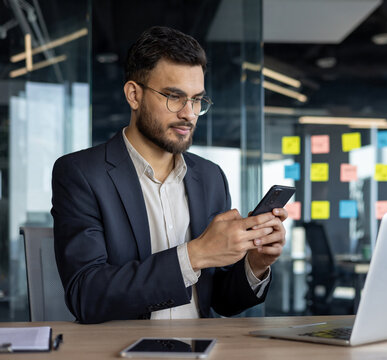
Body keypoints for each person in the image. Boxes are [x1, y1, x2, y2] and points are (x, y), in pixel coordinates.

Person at [51, 26, 287, 324]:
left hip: (203, 348)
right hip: (125, 350)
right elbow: (87, 295)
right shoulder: (81, 174)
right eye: (174, 97)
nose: (189, 113)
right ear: (134, 95)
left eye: (197, 100)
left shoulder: (210, 177)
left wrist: (255, 264)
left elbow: (222, 302)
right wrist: (194, 255)